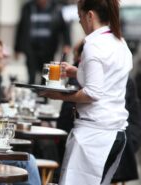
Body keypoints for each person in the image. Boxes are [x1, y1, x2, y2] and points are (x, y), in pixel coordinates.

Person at [40, 0, 133, 184]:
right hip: (115, 132)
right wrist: (78, 72)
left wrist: (58, 95)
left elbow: (92, 93)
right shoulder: (119, 41)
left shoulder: (93, 45)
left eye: (80, 16)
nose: (80, 22)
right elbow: (109, 78)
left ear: (90, 15)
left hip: (94, 135)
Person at [14, 0, 71, 84]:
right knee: (31, 73)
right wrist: (17, 48)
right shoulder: (28, 7)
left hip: (49, 47)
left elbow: (64, 27)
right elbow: (21, 27)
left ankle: (44, 93)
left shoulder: (56, 7)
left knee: (45, 74)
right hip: (31, 47)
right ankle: (32, 91)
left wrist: (67, 43)